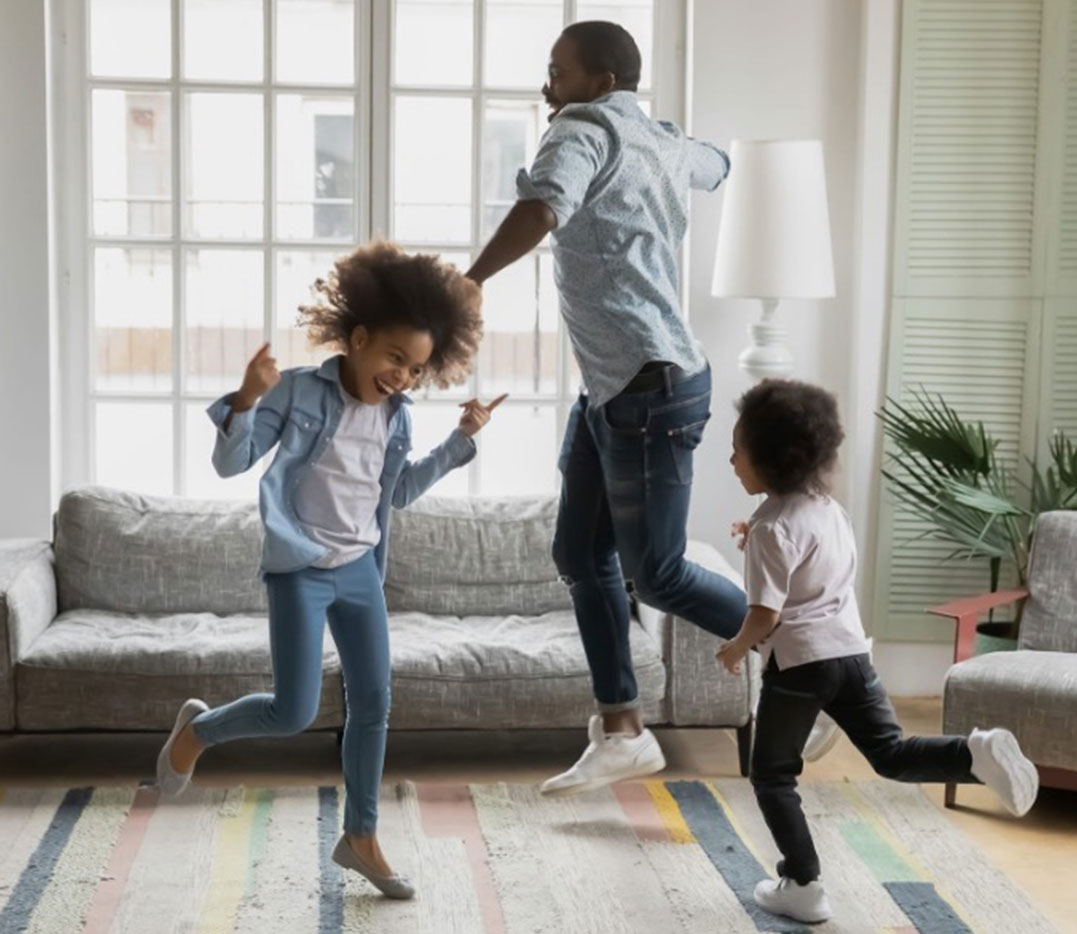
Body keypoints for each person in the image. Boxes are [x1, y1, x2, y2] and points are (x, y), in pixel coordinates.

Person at [155, 242, 501, 900]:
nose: (402, 376)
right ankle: (198, 732)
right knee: (293, 711)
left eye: (416, 368)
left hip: (360, 571)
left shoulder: (397, 419)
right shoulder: (298, 392)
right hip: (301, 570)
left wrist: (462, 441)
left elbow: (396, 492)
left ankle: (361, 836)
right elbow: (232, 464)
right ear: (360, 338)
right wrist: (249, 400)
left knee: (374, 705)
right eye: (394, 358)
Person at [466, 20, 747, 797]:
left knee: (652, 574)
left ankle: (806, 654)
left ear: (598, 82)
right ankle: (622, 728)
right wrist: (702, 151)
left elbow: (543, 205)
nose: (546, 87)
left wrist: (472, 279)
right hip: (621, 386)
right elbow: (717, 165)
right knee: (578, 555)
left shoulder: (581, 128)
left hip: (647, 387)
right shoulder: (656, 138)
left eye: (556, 72)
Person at [718, 378, 1039, 925]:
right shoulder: (825, 508)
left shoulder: (772, 529)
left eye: (738, 450)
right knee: (891, 753)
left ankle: (803, 883)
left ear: (770, 461)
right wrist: (760, 527)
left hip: (799, 667)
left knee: (772, 775)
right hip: (851, 656)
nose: (730, 459)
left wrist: (735, 648)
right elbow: (805, 550)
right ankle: (974, 754)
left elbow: (766, 614)